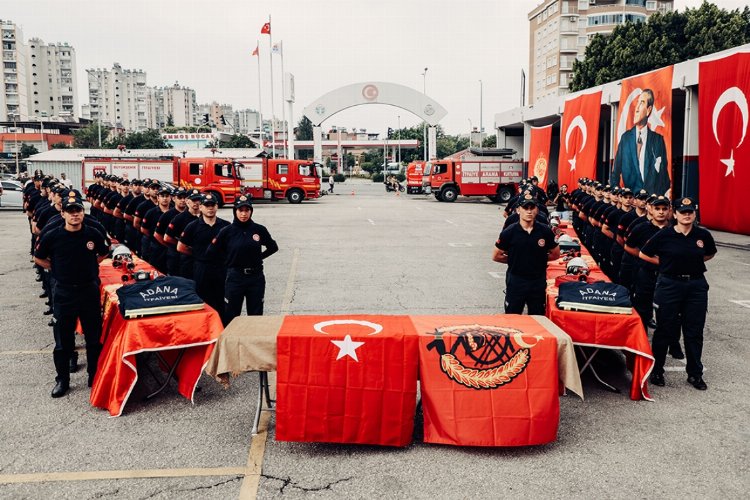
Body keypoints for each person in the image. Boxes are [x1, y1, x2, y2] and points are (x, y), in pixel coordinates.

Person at [34, 191, 109, 398]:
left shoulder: (93, 233)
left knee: (93, 339)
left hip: (88, 291)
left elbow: (104, 252)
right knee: (63, 341)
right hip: (65, 292)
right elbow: (38, 257)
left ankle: (94, 376)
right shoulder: (52, 235)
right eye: (70, 211)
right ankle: (62, 380)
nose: (75, 214)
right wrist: (57, 270)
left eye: (78, 211)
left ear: (83, 213)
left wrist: (90, 266)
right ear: (63, 214)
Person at [640, 197, 717, 390]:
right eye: (683, 212)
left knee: (694, 331)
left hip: (696, 285)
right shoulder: (665, 235)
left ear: (694, 214)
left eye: (690, 212)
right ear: (674, 214)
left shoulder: (702, 235)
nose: (687, 215)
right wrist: (667, 264)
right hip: (670, 285)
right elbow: (644, 253)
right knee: (665, 329)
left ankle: (695, 374)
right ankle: (657, 370)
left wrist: (690, 264)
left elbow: (709, 253)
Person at [207, 195, 278, 324]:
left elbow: (273, 247)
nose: (244, 214)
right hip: (235, 277)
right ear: (235, 211)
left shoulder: (259, 229)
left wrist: (259, 257)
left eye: (247, 210)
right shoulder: (226, 231)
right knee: (232, 315)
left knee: (255, 315)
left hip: (255, 278)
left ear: (251, 211)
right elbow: (211, 252)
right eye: (240, 210)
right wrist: (228, 261)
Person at [492, 193, 560, 315]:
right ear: (518, 210)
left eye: (532, 208)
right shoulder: (509, 232)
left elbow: (555, 254)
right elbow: (496, 255)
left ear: (537, 210)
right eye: (525, 208)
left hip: (537, 281)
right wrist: (516, 260)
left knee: (538, 316)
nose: (529, 211)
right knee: (512, 316)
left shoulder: (545, 231)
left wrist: (538, 259)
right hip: (516, 280)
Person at [177, 193, 230, 320]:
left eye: (212, 205)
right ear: (201, 207)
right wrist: (198, 255)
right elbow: (180, 247)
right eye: (207, 205)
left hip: (221, 268)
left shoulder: (226, 226)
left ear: (217, 207)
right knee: (203, 301)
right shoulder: (193, 226)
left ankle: (222, 328)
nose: (210, 208)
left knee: (222, 301)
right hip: (202, 268)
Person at [610, 89, 670, 195]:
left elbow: (663, 176)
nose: (636, 108)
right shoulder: (626, 139)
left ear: (648, 110)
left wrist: (661, 198)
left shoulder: (658, 140)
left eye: (641, 103)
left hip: (652, 203)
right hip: (630, 201)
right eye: (637, 102)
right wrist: (620, 195)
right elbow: (615, 173)